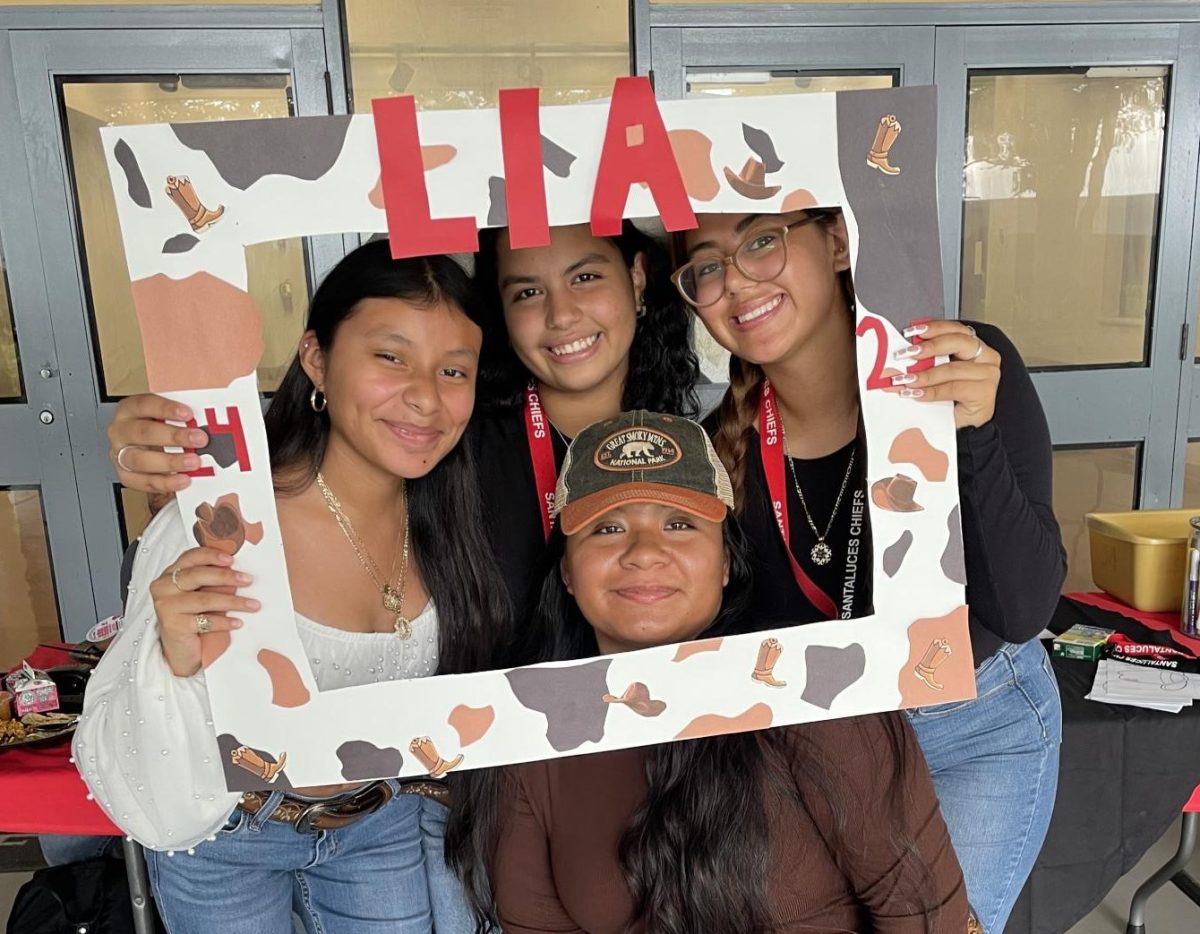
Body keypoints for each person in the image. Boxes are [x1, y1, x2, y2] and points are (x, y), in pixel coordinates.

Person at [75, 241, 510, 934]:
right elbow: (126, 729)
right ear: (316, 359)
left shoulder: (454, 518)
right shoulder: (225, 519)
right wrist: (174, 659)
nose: (426, 397)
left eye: (452, 369)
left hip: (380, 824)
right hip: (230, 839)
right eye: (391, 357)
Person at [673, 208, 1064, 933]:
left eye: (763, 240)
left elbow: (1022, 608)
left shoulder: (954, 367)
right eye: (707, 265)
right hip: (808, 744)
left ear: (838, 241)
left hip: (970, 723)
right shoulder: (712, 450)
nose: (737, 281)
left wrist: (967, 433)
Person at [448, 410, 971, 934]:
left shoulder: (813, 692)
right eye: (608, 528)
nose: (645, 553)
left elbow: (923, 914)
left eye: (680, 524)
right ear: (567, 570)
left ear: (725, 562)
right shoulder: (527, 734)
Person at [106, 222, 701, 616]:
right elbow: (321, 465)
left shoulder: (695, 443)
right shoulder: (446, 443)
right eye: (525, 292)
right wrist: (183, 464)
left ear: (638, 278)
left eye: (586, 276)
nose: (562, 314)